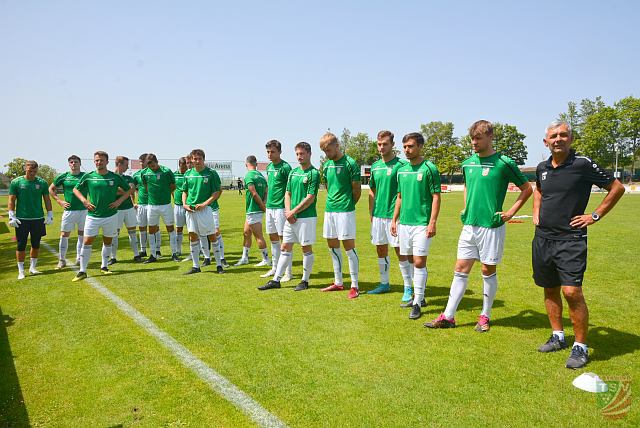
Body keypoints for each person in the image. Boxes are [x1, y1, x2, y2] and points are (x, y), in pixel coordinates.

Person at [532, 120, 624, 369]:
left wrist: (594, 216)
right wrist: (536, 212)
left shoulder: (582, 164)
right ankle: (558, 336)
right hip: (543, 239)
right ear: (546, 142)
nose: (558, 139)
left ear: (571, 139)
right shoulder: (541, 167)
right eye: (553, 136)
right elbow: (538, 190)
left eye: (563, 135)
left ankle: (581, 347)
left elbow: (616, 187)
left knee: (572, 292)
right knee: (549, 289)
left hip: (570, 239)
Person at [425, 120, 532, 332]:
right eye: (472, 138)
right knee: (460, 269)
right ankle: (448, 316)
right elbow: (467, 185)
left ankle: (485, 315)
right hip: (469, 226)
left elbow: (527, 188)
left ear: (490, 137)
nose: (474, 142)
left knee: (487, 269)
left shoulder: (504, 162)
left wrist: (510, 212)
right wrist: (466, 207)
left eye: (478, 138)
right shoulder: (468, 163)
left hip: (491, 226)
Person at [391, 133, 441, 319]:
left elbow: (436, 196)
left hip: (421, 224)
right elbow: (400, 197)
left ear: (420, 146)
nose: (406, 150)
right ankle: (418, 295)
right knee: (409, 259)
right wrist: (394, 220)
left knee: (419, 261)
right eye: (404, 147)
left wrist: (432, 222)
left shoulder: (429, 168)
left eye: (410, 146)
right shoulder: (402, 170)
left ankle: (418, 303)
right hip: (404, 223)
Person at [259, 142, 320, 291]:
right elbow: (288, 193)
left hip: (306, 217)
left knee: (306, 248)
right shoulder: (293, 172)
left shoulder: (314, 173)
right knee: (285, 246)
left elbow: (310, 197)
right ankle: (276, 280)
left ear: (309, 154)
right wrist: (288, 211)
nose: (299, 157)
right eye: (297, 154)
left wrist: (294, 211)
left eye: (302, 154)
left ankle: (304, 281)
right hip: (290, 216)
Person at [72, 151, 133, 281]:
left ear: (107, 162)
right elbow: (75, 189)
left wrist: (119, 201)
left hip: (110, 215)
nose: (98, 162)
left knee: (108, 241)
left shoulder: (114, 177)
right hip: (93, 216)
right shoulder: (88, 176)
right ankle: (82, 271)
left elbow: (129, 189)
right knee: (87, 242)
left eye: (101, 160)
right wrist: (84, 201)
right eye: (96, 160)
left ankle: (104, 267)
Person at [367, 130, 411, 297]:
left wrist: (397, 216)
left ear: (393, 145)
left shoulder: (401, 166)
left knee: (400, 250)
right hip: (378, 216)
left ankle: (408, 287)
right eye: (379, 144)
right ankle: (384, 283)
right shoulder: (375, 166)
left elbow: (403, 193)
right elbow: (372, 191)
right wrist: (371, 212)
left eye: (385, 144)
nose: (382, 147)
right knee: (380, 249)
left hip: (395, 217)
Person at [319, 132, 362, 299]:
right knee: (332, 246)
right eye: (324, 152)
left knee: (349, 247)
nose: (327, 154)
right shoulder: (327, 165)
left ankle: (355, 285)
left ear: (337, 146)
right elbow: (329, 187)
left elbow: (356, 190)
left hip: (345, 211)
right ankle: (338, 282)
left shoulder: (350, 163)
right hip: (330, 210)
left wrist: (348, 205)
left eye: (329, 150)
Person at [181, 149, 224, 274]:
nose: (197, 161)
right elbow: (185, 191)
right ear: (191, 160)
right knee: (193, 236)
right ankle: (196, 266)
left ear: (204, 159)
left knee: (212, 236)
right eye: (195, 159)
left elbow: (217, 192)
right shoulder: (188, 174)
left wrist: (205, 204)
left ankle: (219, 265)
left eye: (199, 159)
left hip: (205, 210)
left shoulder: (211, 173)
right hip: (191, 210)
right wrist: (184, 204)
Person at [8, 160, 53, 279]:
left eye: (34, 171)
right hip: (22, 219)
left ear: (37, 170)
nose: (32, 173)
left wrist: (50, 214)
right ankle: (21, 271)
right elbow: (11, 200)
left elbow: (47, 199)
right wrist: (11, 215)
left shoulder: (42, 183)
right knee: (21, 245)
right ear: (25, 169)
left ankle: (33, 267)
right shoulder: (16, 182)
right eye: (30, 170)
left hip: (38, 219)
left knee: (36, 244)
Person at [261, 139, 293, 281]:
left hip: (281, 208)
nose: (270, 154)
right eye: (268, 151)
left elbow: (290, 189)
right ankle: (275, 268)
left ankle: (288, 272)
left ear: (280, 151)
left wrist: (289, 209)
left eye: (273, 151)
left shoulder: (286, 167)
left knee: (284, 240)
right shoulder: (269, 167)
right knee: (273, 238)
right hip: (270, 207)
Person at [49, 155, 87, 269]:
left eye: (76, 162)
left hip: (83, 211)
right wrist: (59, 201)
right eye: (71, 162)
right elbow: (51, 188)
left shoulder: (86, 176)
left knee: (82, 235)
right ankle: (62, 260)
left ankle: (79, 258)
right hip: (69, 211)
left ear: (80, 164)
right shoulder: (64, 176)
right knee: (64, 235)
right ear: (69, 164)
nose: (73, 164)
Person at [141, 154, 178, 262]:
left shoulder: (166, 171)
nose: (151, 168)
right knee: (151, 230)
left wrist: (164, 193)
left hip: (166, 205)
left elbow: (173, 186)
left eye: (153, 165)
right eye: (149, 166)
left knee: (170, 228)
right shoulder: (145, 173)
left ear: (157, 162)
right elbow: (146, 186)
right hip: (152, 206)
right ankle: (153, 255)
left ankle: (174, 253)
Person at [235, 155, 270, 266]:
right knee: (246, 233)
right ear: (256, 164)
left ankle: (266, 260)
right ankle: (245, 257)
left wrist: (262, 206)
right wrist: (264, 202)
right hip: (254, 210)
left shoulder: (248, 175)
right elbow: (266, 191)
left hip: (254, 209)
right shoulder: (261, 175)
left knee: (258, 235)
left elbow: (254, 193)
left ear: (246, 164)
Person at [111, 156, 141, 263]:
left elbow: (132, 190)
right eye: (126, 165)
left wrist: (123, 190)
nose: (127, 167)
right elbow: (112, 191)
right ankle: (113, 257)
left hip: (129, 208)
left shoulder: (128, 177)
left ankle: (137, 255)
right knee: (115, 233)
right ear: (119, 164)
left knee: (132, 232)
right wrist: (126, 191)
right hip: (116, 210)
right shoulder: (111, 177)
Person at [133, 153, 150, 257]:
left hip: (153, 204)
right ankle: (143, 250)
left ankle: (157, 250)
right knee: (142, 227)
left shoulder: (153, 173)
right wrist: (134, 202)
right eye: (140, 162)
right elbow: (133, 189)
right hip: (141, 204)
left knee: (154, 227)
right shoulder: (136, 175)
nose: (141, 164)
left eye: (142, 162)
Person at [173, 156, 189, 258]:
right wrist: (174, 198)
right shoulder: (174, 175)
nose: (184, 169)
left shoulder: (189, 174)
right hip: (178, 205)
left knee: (193, 229)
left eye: (186, 167)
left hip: (189, 206)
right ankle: (178, 250)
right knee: (179, 229)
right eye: (183, 167)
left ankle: (198, 250)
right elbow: (171, 188)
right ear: (179, 165)